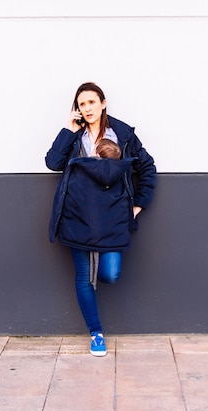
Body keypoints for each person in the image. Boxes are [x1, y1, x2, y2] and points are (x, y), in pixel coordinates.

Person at [46, 82, 157, 357]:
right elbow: (52, 163)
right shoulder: (75, 135)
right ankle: (96, 333)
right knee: (83, 276)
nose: (87, 109)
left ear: (103, 103)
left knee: (110, 273)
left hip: (112, 215)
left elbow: (147, 168)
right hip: (77, 213)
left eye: (91, 102)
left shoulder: (122, 134)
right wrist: (68, 132)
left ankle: (99, 264)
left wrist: (138, 205)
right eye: (82, 104)